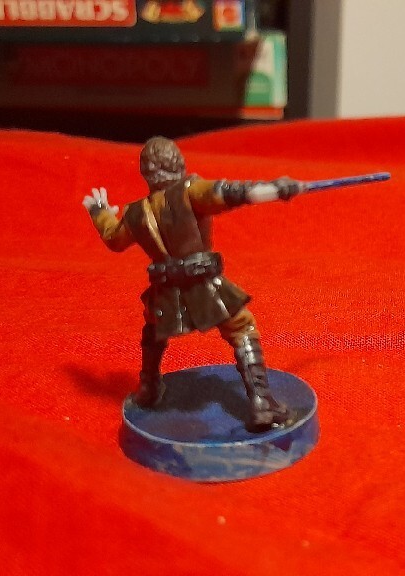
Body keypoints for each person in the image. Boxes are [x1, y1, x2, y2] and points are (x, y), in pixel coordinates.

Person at [83, 136, 303, 433]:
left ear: (146, 172)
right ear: (178, 164)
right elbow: (233, 193)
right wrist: (276, 189)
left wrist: (99, 212)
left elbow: (113, 238)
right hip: (202, 284)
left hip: (166, 290)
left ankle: (148, 388)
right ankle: (262, 402)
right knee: (241, 327)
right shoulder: (189, 191)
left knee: (153, 331)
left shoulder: (136, 213)